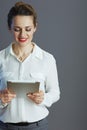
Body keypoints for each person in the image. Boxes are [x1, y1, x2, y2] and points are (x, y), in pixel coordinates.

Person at [0, 1, 60, 130]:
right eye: (17, 29)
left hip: (38, 126)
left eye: (28, 29)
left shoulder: (47, 59)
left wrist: (43, 98)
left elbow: (55, 92)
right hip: (6, 126)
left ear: (35, 27)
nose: (23, 35)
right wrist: (1, 99)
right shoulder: (0, 58)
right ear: (9, 28)